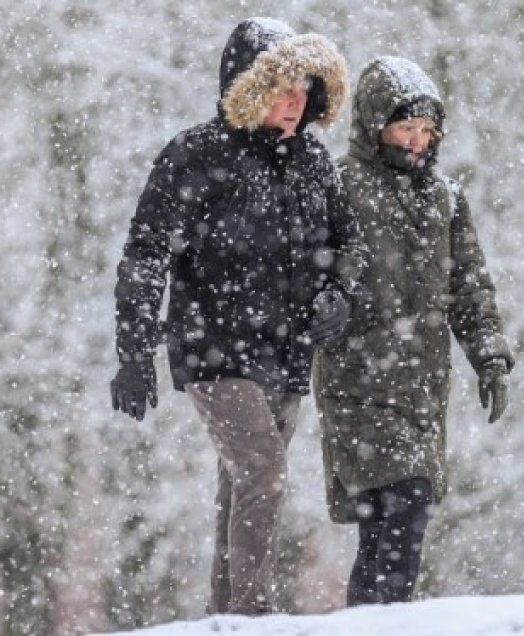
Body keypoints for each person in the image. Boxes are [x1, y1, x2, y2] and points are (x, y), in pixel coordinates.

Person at [109, 18, 367, 616]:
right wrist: (134, 350)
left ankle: (225, 616)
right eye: (282, 87)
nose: (295, 102)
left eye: (306, 90)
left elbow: (349, 244)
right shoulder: (195, 155)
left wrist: (341, 294)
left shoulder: (315, 163)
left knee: (244, 481)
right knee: (263, 470)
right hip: (215, 345)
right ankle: (255, 614)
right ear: (249, 88)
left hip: (288, 350)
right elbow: (146, 251)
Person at [313, 56, 515, 606]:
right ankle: (386, 621)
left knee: (387, 528)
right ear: (375, 123)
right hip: (358, 381)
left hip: (422, 386)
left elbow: (470, 286)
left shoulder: (444, 198)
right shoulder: (339, 186)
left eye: (427, 130)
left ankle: (372, 620)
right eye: (406, 127)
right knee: (406, 505)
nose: (418, 141)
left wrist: (489, 356)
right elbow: (303, 272)